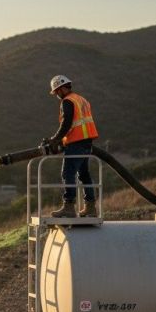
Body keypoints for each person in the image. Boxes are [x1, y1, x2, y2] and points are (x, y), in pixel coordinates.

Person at [46, 75, 99, 218]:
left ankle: (69, 206)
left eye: (57, 91)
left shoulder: (67, 101)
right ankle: (91, 207)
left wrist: (55, 139)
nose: (56, 94)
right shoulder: (81, 99)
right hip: (87, 142)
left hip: (76, 143)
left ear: (63, 88)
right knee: (84, 174)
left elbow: (67, 123)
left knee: (67, 173)